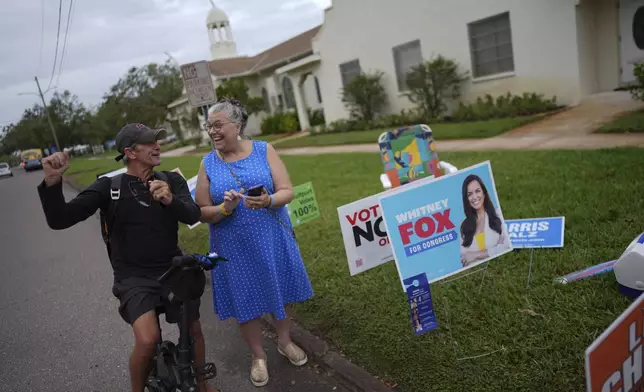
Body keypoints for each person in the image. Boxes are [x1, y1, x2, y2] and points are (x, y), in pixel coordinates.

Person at [36, 123, 218, 392]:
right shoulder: (108, 187)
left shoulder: (172, 180)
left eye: (158, 140)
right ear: (130, 152)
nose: (157, 146)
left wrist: (171, 200)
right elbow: (60, 219)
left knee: (194, 331)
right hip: (134, 277)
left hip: (173, 269)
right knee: (147, 340)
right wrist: (52, 181)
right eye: (149, 142)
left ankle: (203, 384)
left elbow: (193, 215)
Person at [195, 98, 314, 387]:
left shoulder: (264, 150)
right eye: (209, 126)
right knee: (244, 296)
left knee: (280, 289)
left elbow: (287, 190)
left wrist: (269, 200)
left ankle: (285, 342)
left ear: (237, 126)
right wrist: (225, 209)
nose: (213, 131)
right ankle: (257, 355)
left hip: (272, 237)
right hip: (232, 244)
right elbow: (201, 211)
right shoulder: (207, 162)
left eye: (218, 125)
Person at [459, 174, 510, 267]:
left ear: (484, 193)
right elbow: (464, 259)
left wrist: (475, 255)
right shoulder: (464, 225)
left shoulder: (497, 214)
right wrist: (495, 249)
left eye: (477, 191)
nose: (474, 197)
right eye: (469, 194)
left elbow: (507, 245)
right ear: (466, 199)